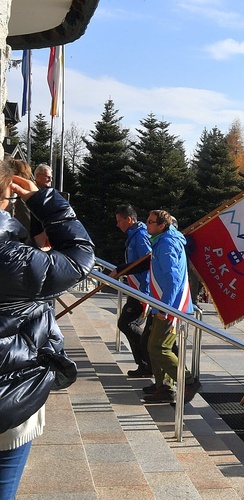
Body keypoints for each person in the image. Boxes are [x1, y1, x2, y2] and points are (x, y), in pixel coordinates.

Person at [0, 166, 94, 499]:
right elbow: (81, 255)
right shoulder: (15, 259)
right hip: (10, 398)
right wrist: (48, 203)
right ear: (7, 197)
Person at [140, 210, 201, 404]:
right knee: (153, 345)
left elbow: (173, 280)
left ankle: (187, 381)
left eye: (150, 222)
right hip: (164, 304)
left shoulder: (166, 244)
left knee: (159, 347)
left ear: (161, 226)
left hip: (171, 307)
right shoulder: (162, 240)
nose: (146, 224)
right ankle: (164, 387)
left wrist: (164, 310)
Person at [110, 205, 153, 378]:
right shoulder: (134, 235)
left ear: (129, 219)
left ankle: (146, 364)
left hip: (143, 289)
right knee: (127, 323)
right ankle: (145, 365)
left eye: (119, 221)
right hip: (136, 288)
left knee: (128, 323)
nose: (117, 225)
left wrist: (120, 270)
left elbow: (146, 261)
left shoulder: (140, 235)